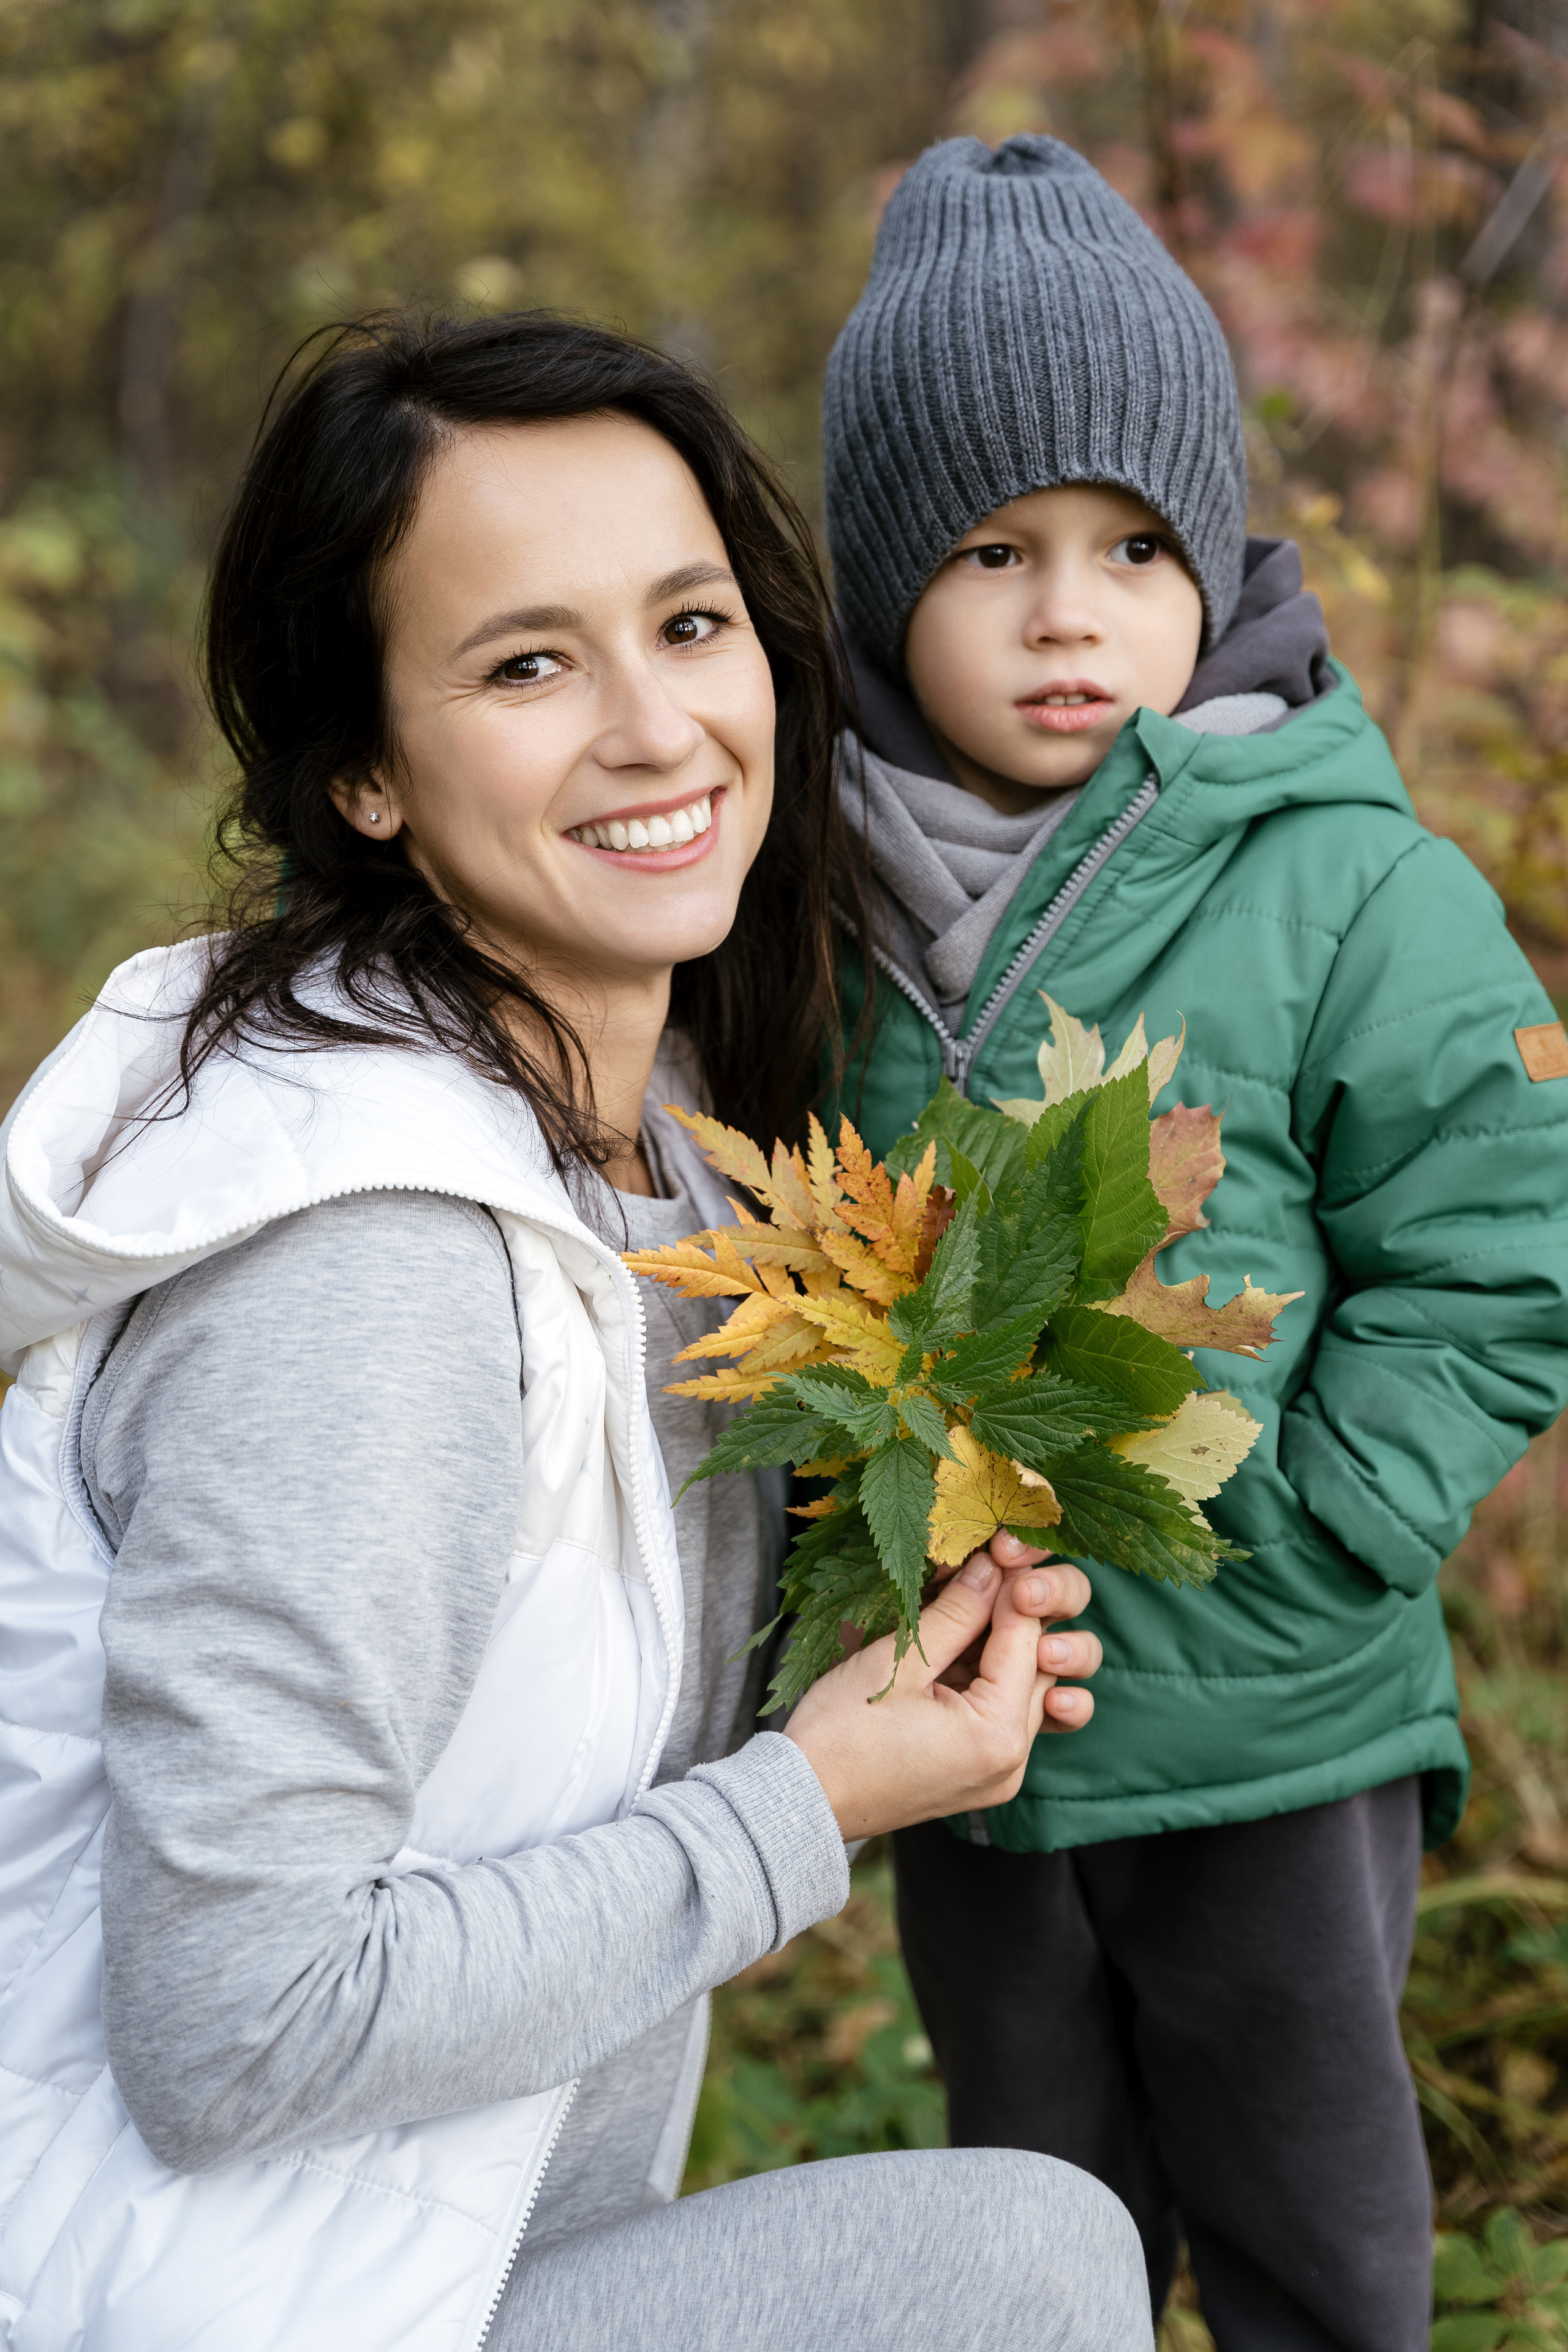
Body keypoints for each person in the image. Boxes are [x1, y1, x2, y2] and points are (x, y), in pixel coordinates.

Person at [0, 310, 1155, 2352]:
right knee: (1025, 2267)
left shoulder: (682, 1166)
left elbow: (578, 1741)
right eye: (528, 662)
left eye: (690, 625)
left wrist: (895, 1640)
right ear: (362, 768)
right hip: (211, 2306)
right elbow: (236, 2026)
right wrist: (806, 1805)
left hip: (437, 2269)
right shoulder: (370, 1273)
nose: (655, 728)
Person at [820, 134, 1568, 2352]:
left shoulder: (1348, 879)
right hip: (982, 1736)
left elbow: (1499, 1232)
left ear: (1213, 555)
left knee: (1312, 2231)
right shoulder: (809, 899)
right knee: (1029, 2226)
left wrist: (1338, 1524)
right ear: (880, 587)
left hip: (1276, 1719)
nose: (1071, 612)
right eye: (992, 550)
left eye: (1134, 545)